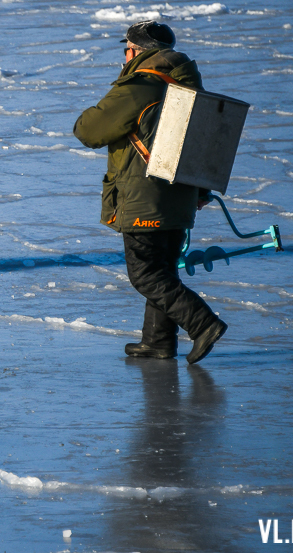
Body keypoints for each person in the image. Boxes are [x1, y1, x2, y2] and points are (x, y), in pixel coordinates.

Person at [73, 21, 228, 364]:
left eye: (126, 49)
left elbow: (88, 130)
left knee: (145, 273)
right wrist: (200, 191)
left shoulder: (143, 85)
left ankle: (202, 324)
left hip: (146, 197)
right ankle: (158, 342)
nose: (124, 56)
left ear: (138, 52)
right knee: (163, 269)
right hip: (182, 196)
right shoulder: (189, 87)